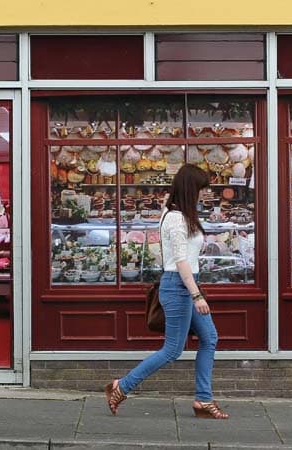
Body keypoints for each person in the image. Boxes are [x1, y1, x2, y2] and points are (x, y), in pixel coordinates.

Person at [104, 164, 229, 420]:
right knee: (172, 350)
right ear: (190, 189)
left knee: (210, 338)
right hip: (178, 286)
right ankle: (121, 386)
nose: (204, 194)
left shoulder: (181, 214)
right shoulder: (174, 218)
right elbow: (180, 261)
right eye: (201, 189)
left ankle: (203, 400)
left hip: (186, 282)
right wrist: (196, 295)